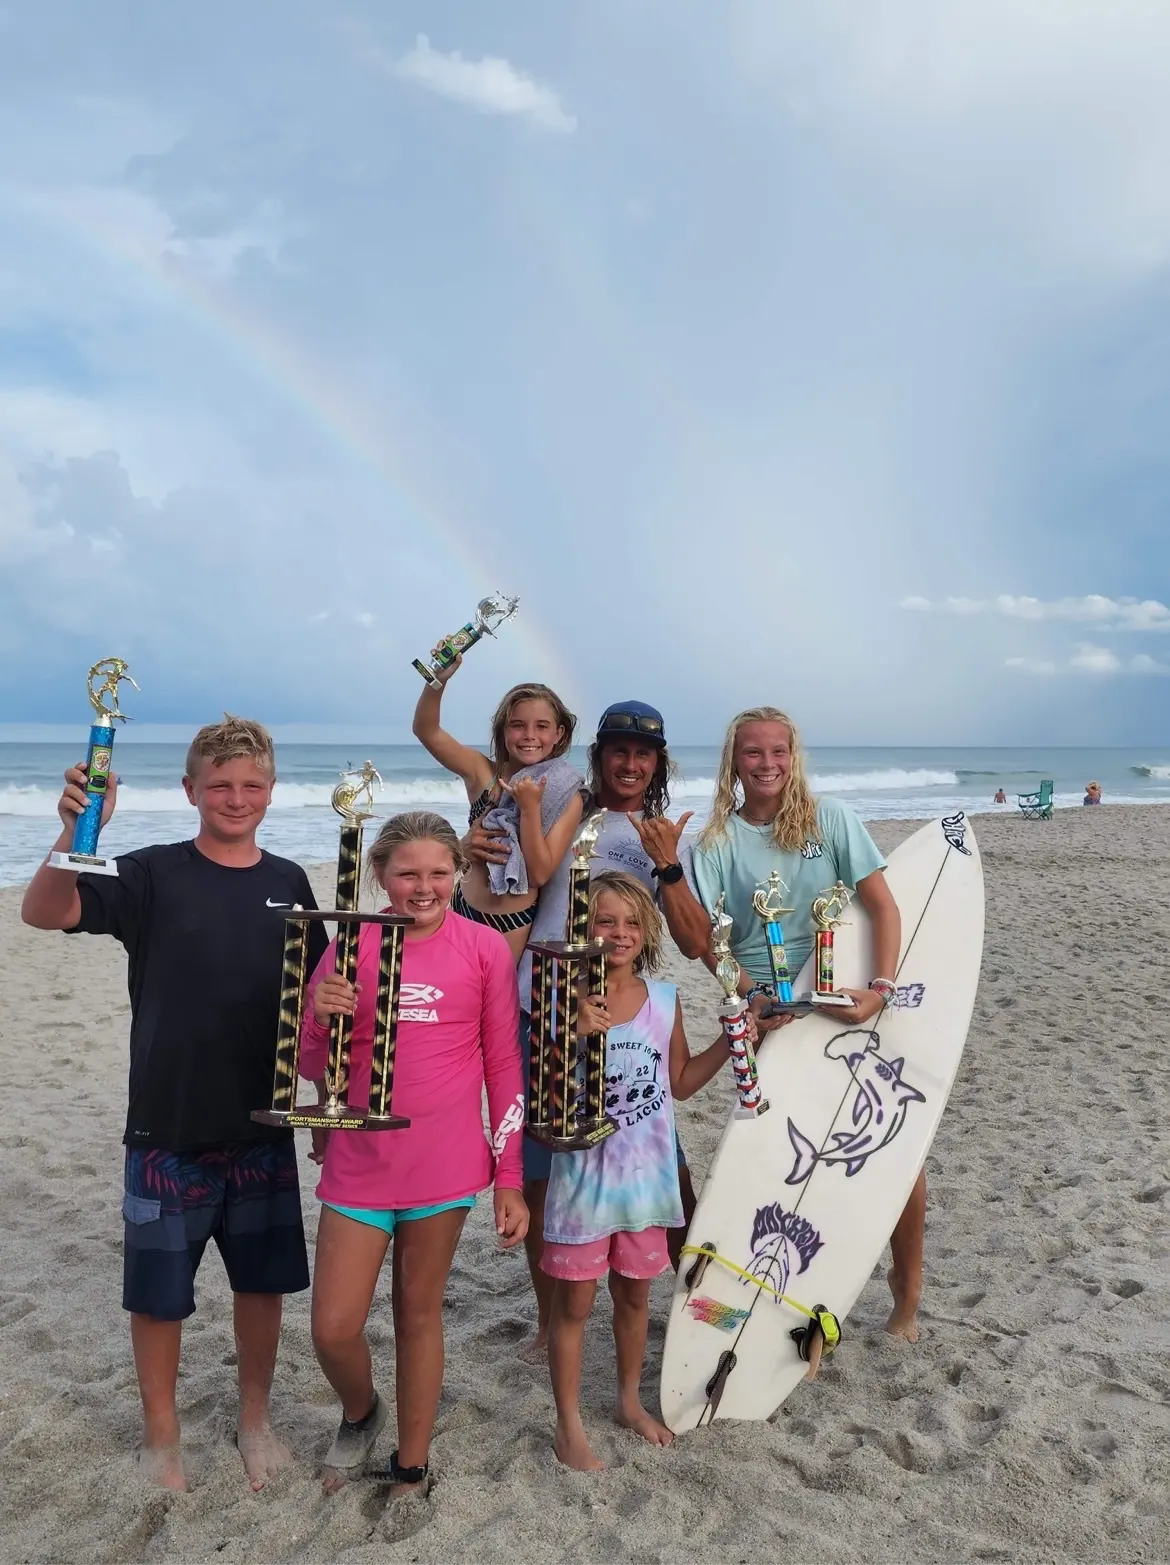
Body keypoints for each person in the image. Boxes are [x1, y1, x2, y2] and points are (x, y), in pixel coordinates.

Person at [20, 716, 326, 1492]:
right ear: (190, 789)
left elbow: (319, 1004)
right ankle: (164, 1436)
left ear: (271, 791)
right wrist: (73, 832)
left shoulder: (289, 880)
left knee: (262, 1286)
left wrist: (326, 1104)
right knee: (159, 1298)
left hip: (263, 1125)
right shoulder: (148, 871)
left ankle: (254, 1418)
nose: (236, 797)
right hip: (166, 1124)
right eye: (219, 784)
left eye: (251, 785)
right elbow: (44, 912)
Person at [654, 706, 924, 1342]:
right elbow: (709, 945)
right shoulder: (716, 842)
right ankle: (767, 1294)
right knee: (773, 1157)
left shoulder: (832, 820)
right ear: (734, 761)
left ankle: (907, 1283)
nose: (767, 764)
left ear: (793, 755)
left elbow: (882, 907)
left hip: (845, 1002)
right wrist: (751, 999)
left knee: (895, 1148)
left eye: (778, 751)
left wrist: (879, 990)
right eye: (753, 753)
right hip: (766, 1017)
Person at [464, 701, 705, 1357]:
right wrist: (469, 849)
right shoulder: (564, 805)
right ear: (597, 756)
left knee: (670, 1171)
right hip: (539, 1014)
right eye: (618, 751)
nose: (630, 763)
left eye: (643, 753)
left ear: (658, 763)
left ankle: (694, 1308)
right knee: (543, 1176)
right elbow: (502, 881)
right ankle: (549, 1319)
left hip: (625, 1021)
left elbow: (689, 939)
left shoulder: (665, 833)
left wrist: (669, 866)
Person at [303, 811, 528, 1496]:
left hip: (446, 1163)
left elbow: (503, 1063)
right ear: (381, 876)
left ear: (458, 872)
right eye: (408, 873)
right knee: (333, 1325)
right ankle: (362, 1408)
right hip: (361, 1163)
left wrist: (509, 1176)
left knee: (416, 1310)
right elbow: (316, 1065)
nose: (424, 886)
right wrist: (319, 1012)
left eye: (438, 872)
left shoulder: (483, 948)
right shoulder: (352, 944)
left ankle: (412, 1459)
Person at [544, 873, 731, 1470]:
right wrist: (571, 1035)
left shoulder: (665, 1000)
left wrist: (732, 1040)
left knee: (633, 1298)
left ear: (646, 932)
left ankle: (627, 1401)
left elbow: (677, 1083)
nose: (618, 933)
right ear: (584, 927)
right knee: (572, 1306)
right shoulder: (560, 993)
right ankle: (568, 1421)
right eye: (605, 920)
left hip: (647, 1179)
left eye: (630, 922)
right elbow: (540, 1090)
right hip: (582, 1182)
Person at [412, 667, 583, 959]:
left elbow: (539, 873)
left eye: (542, 726)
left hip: (513, 921)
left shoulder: (565, 792)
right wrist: (438, 679)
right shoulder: (483, 773)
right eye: (518, 725)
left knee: (495, 998)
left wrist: (529, 809)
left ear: (559, 733)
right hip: (462, 906)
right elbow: (426, 731)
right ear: (503, 730)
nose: (529, 735)